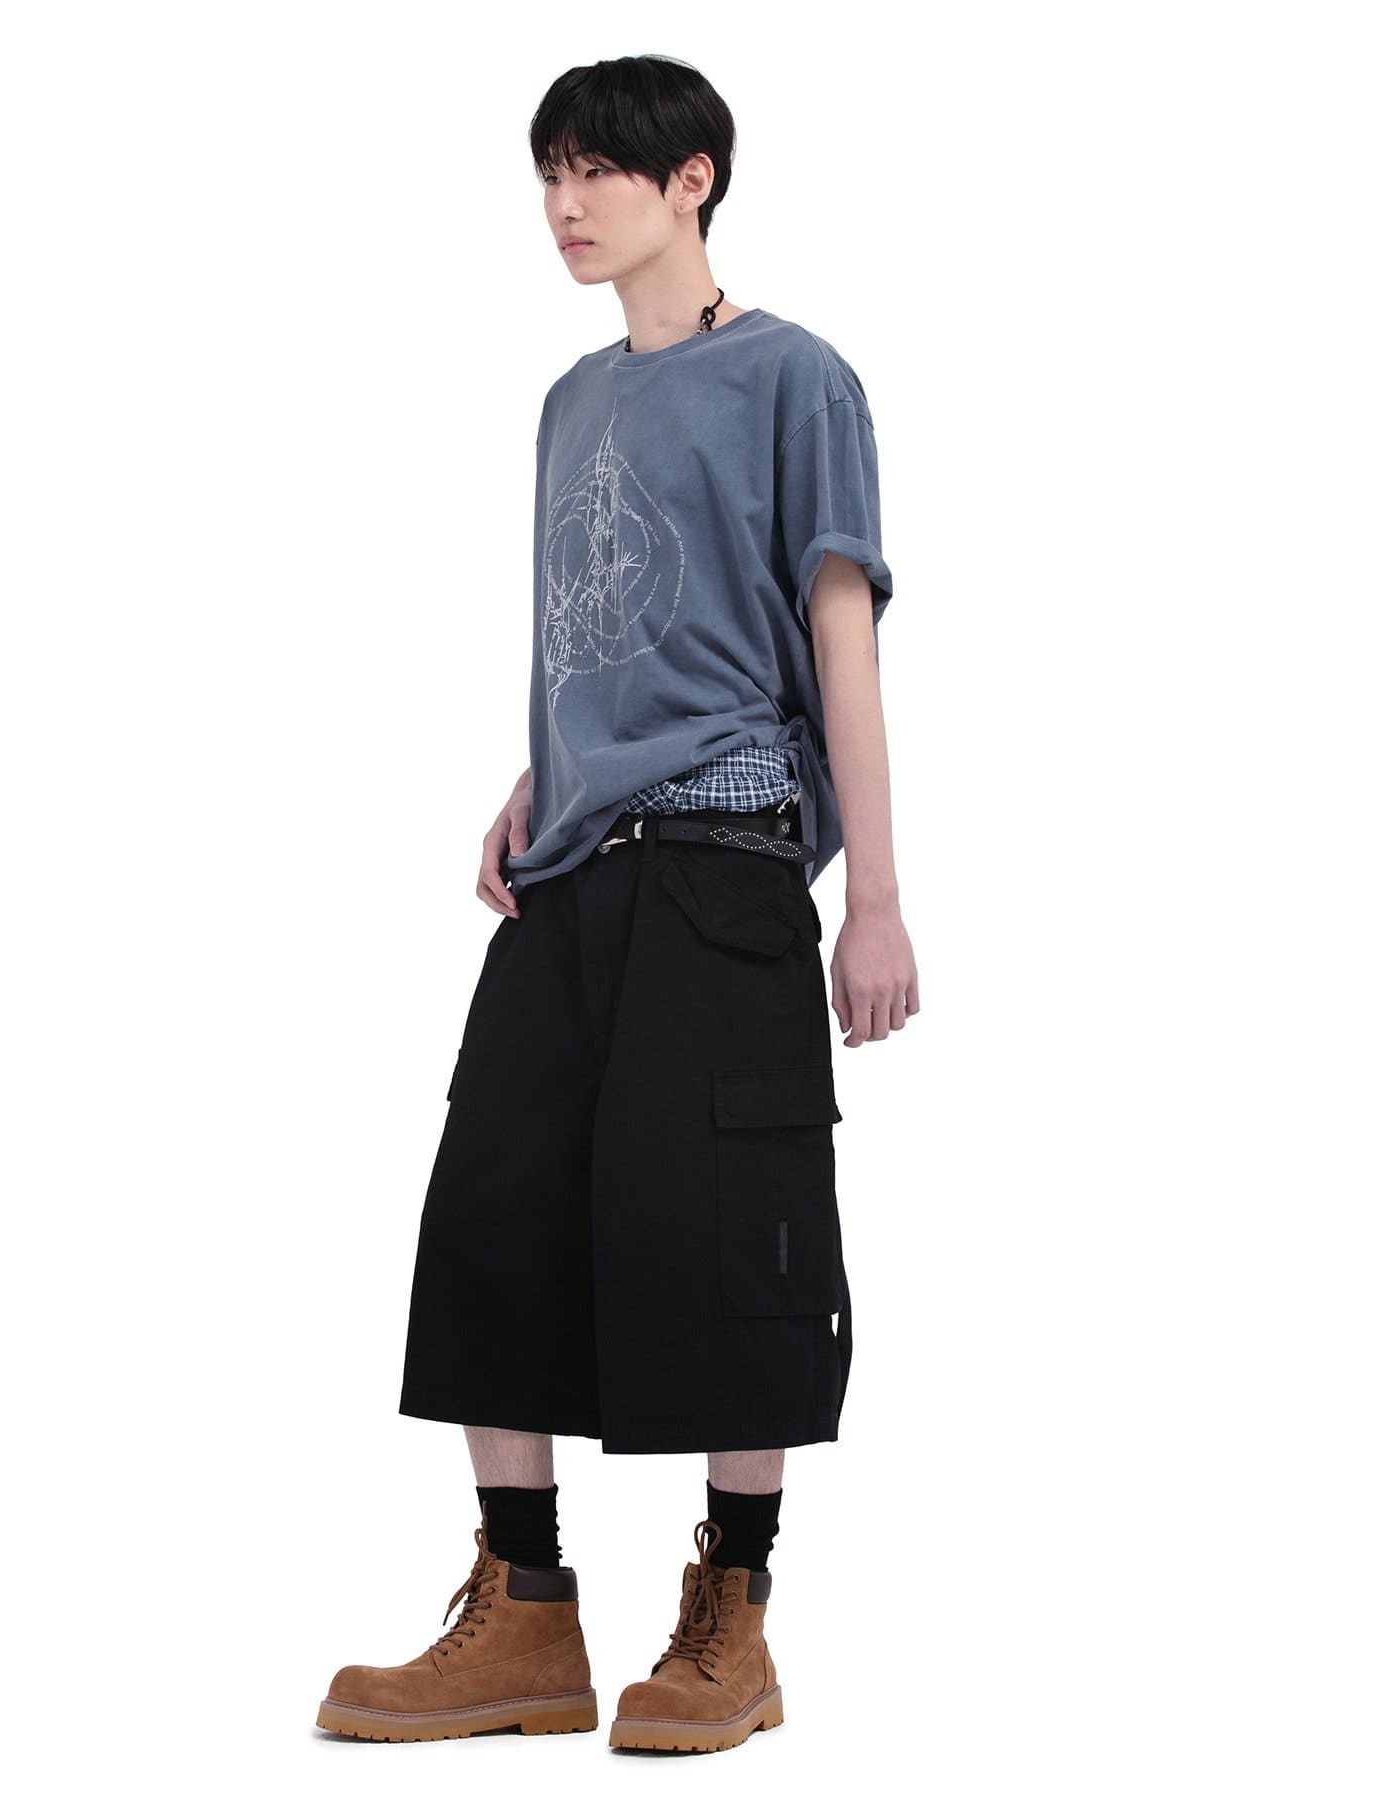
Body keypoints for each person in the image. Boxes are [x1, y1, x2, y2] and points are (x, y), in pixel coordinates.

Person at [315, 53, 919, 1754]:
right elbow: (598, 629)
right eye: (551, 176)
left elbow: (838, 636)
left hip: (725, 864)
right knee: (492, 1220)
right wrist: (540, 775)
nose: (566, 206)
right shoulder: (569, 404)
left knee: (728, 1232)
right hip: (572, 874)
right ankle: (524, 1612)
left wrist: (877, 897)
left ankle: (734, 1617)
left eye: (598, 172)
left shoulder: (797, 378)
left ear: (693, 179)